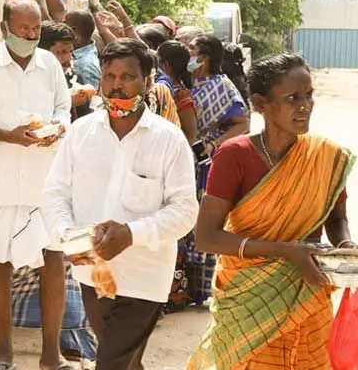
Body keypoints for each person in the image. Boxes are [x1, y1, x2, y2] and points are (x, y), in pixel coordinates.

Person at [189, 53, 356, 368]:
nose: (304, 105)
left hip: (308, 296)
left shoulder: (326, 156)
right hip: (247, 298)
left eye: (309, 96)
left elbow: (337, 218)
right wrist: (285, 252)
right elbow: (207, 237)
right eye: (292, 98)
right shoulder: (234, 156)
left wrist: (345, 246)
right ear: (260, 103)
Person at [44, 38, 198, 370]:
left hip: (145, 276)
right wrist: (71, 238)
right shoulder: (80, 132)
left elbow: (185, 211)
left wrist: (131, 234)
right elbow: (55, 193)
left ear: (147, 81)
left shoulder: (169, 140)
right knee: (124, 361)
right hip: (90, 269)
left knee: (111, 361)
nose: (116, 85)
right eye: (109, 76)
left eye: (126, 76)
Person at [0, 0, 72, 370]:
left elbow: (63, 109)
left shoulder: (49, 64)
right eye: (25, 29)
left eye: (36, 29)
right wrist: (8, 136)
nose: (32, 35)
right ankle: (3, 353)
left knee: (52, 260)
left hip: (43, 181)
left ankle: (50, 354)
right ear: (5, 28)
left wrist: (54, 130)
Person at [185, 34, 250, 305]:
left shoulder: (221, 86)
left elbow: (241, 123)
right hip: (182, 158)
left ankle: (201, 290)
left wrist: (213, 144)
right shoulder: (184, 82)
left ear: (206, 56)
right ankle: (181, 288)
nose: (189, 54)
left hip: (203, 163)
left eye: (192, 49)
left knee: (203, 222)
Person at [40, 21, 93, 120]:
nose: (69, 60)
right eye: (62, 52)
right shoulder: (29, 80)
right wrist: (66, 102)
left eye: (70, 52)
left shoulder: (74, 80)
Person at [155, 40, 198, 144]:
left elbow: (191, 136)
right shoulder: (157, 88)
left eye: (157, 61)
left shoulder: (180, 96)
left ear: (166, 65)